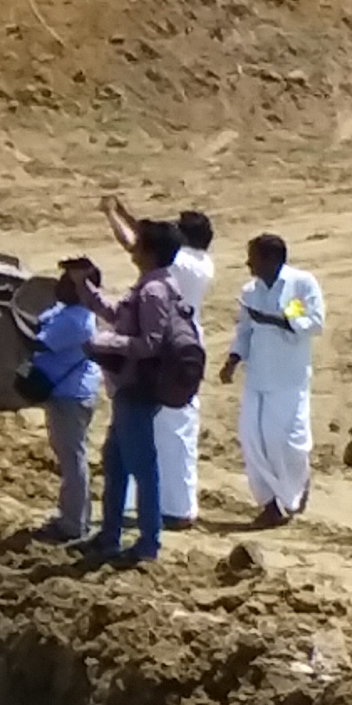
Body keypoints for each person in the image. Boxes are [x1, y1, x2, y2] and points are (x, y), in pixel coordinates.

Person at [87, 218, 202, 563]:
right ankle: (111, 536)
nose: (133, 248)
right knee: (117, 465)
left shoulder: (153, 290)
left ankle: (147, 542)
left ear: (150, 252)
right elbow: (119, 313)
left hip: (137, 386)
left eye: (139, 244)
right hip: (133, 386)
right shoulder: (155, 284)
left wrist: (106, 342)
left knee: (141, 466)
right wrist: (88, 291)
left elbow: (149, 343)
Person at [106, 196, 217, 525]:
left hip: (169, 347)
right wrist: (123, 210)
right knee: (174, 429)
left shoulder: (180, 263)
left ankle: (171, 509)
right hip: (184, 342)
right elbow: (149, 236)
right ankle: (167, 505)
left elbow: (136, 242)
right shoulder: (201, 263)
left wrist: (112, 214)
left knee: (164, 429)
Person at [223, 231, 324, 529]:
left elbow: (314, 323)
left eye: (253, 258)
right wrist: (232, 360)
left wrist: (278, 319)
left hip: (288, 379)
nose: (248, 264)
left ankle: (295, 489)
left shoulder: (300, 285)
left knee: (284, 442)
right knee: (251, 439)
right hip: (257, 376)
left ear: (270, 259)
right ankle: (270, 504)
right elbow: (245, 331)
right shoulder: (251, 291)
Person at [28, 256, 108, 544]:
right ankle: (72, 517)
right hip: (66, 395)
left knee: (73, 461)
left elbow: (38, 340)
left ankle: (74, 524)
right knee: (70, 457)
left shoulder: (77, 319)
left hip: (69, 397)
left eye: (67, 281)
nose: (59, 284)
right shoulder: (70, 311)